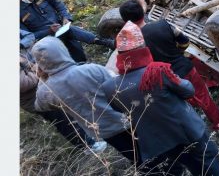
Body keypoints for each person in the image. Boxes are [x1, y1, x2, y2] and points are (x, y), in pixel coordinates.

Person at [101, 22, 219, 175]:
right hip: (187, 131)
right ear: (142, 48)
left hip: (158, 143)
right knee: (209, 161)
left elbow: (123, 111)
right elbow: (188, 90)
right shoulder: (157, 70)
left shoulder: (109, 87)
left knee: (190, 164)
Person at [118, 0, 219, 136]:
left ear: (125, 21)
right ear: (142, 11)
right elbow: (185, 42)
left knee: (181, 105)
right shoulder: (163, 25)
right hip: (184, 68)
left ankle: (196, 133)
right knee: (203, 97)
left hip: (163, 79)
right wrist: (178, 53)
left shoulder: (133, 44)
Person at [32, 36, 139, 164]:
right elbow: (119, 86)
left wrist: (42, 79)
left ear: (40, 64)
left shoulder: (46, 90)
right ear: (63, 50)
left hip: (102, 130)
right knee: (147, 146)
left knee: (133, 155)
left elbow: (39, 106)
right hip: (125, 119)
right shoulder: (91, 69)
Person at [20, 31, 107, 154]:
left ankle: (92, 133)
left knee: (71, 111)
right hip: (34, 98)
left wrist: (34, 67)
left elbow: (30, 36)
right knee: (63, 120)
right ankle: (87, 145)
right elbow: (22, 83)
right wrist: (38, 70)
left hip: (48, 85)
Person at [19, 0, 114, 62]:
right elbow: (28, 37)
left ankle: (102, 43)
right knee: (69, 49)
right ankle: (104, 42)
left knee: (79, 54)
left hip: (61, 28)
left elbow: (58, 4)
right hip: (46, 40)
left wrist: (66, 17)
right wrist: (48, 31)